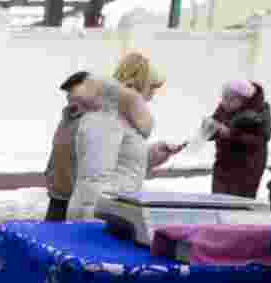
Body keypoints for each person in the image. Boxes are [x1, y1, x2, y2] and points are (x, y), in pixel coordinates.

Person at [66, 53, 184, 221]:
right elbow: (94, 177)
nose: (154, 94)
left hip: (115, 210)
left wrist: (152, 154)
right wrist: (96, 221)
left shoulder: (126, 116)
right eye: (151, 87)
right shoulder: (107, 114)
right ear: (139, 84)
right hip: (101, 216)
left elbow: (122, 166)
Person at [208, 79, 271, 198]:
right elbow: (211, 130)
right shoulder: (223, 108)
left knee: (240, 202)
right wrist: (209, 127)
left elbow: (261, 139)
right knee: (219, 200)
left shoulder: (260, 111)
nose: (224, 102)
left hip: (248, 166)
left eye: (230, 99)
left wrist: (230, 134)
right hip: (223, 164)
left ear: (243, 100)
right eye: (223, 97)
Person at [44, 71, 91, 222]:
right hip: (57, 194)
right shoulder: (67, 116)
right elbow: (58, 149)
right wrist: (49, 173)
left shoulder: (91, 120)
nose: (68, 97)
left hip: (76, 198)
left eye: (72, 92)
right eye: (68, 93)